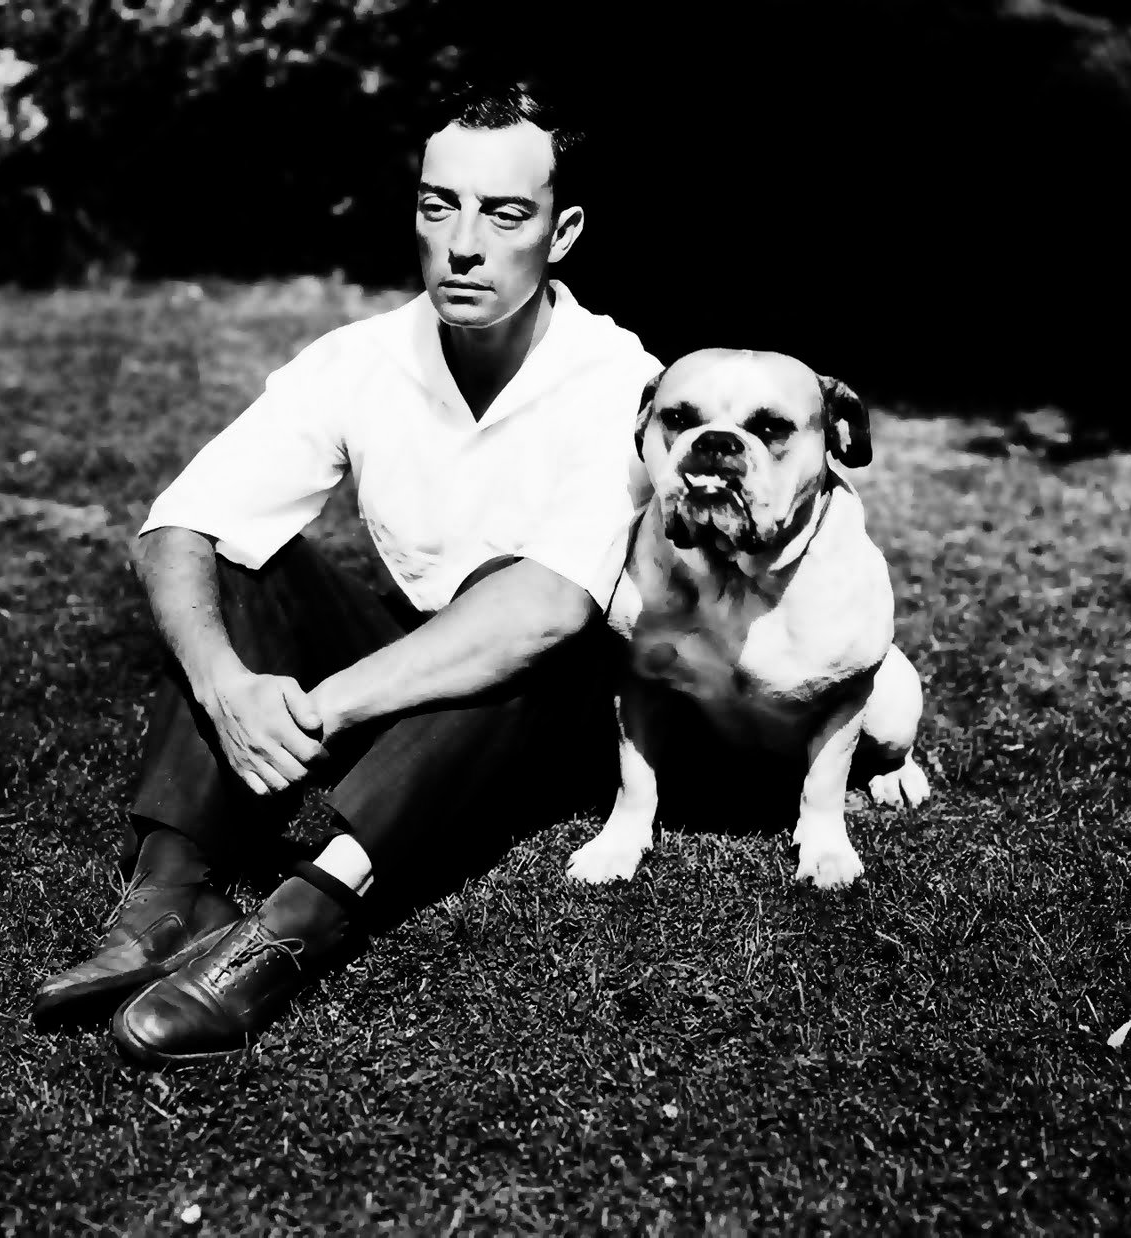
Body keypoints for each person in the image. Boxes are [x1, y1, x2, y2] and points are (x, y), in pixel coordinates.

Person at [32, 79, 661, 1067]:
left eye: (504, 214)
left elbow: (541, 610)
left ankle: (301, 915)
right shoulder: (359, 358)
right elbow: (176, 526)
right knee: (244, 554)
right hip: (406, 668)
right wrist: (227, 684)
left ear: (563, 230)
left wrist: (316, 709)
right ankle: (168, 891)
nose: (462, 243)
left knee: (524, 603)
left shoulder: (621, 380)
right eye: (436, 203)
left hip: (546, 713)